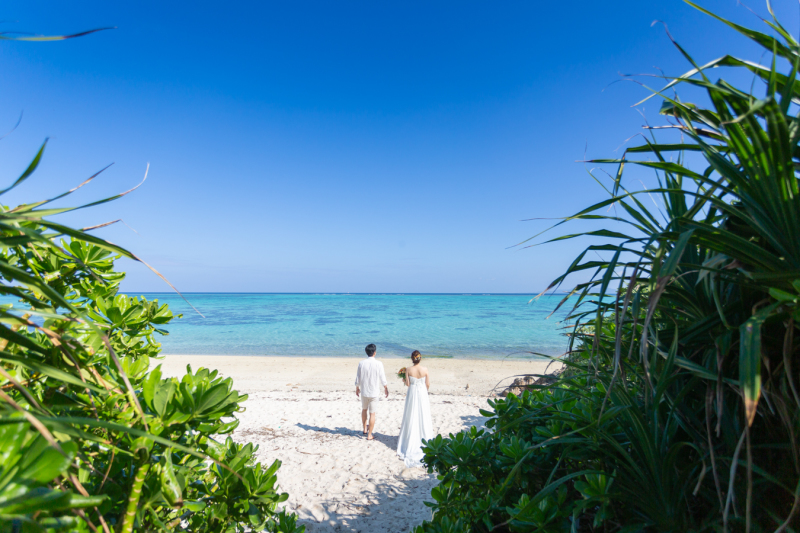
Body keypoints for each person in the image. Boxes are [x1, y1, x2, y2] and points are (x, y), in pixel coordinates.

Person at [396, 350, 433, 467]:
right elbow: (428, 385)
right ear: (420, 358)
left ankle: (410, 439)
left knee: (411, 414)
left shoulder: (408, 369)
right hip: (422, 393)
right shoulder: (425, 370)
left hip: (412, 393)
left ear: (412, 358)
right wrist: (423, 391)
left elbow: (407, 384)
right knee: (423, 414)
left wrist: (403, 379)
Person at [354, 343, 388, 441]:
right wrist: (385, 387)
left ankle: (364, 428)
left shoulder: (361, 363)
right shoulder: (379, 364)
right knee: (372, 413)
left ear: (366, 352)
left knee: (364, 410)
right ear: (374, 352)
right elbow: (382, 377)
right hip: (374, 392)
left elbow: (358, 377)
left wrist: (357, 387)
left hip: (364, 391)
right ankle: (369, 434)